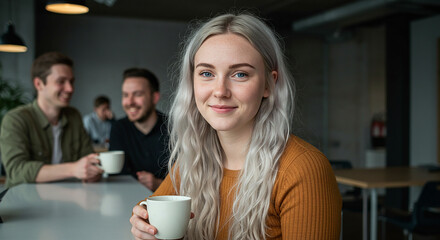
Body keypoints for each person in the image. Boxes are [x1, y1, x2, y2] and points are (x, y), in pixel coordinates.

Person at [130, 13, 342, 240]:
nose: (220, 91)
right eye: (206, 73)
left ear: (269, 84)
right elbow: (154, 208)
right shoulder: (193, 161)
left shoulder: (303, 169)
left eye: (240, 74)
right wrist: (142, 220)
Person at [0, 52, 103, 188]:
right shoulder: (16, 119)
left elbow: (88, 159)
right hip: (24, 203)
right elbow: (17, 171)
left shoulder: (73, 116)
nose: (70, 89)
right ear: (39, 84)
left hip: (69, 198)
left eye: (71, 82)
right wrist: (73, 169)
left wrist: (92, 171)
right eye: (61, 81)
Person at [109, 68, 169, 191]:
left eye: (137, 94)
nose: (130, 102)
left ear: (154, 98)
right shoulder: (119, 128)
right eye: (125, 95)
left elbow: (188, 180)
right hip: (126, 202)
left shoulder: (175, 128)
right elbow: (117, 177)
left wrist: (159, 184)